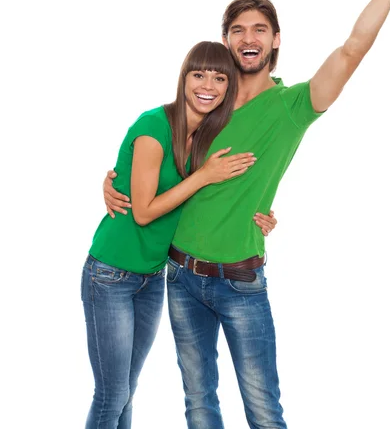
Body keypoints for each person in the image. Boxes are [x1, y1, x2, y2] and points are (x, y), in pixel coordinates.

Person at [104, 0, 390, 428]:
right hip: (180, 275)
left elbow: (351, 50)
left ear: (275, 40)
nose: (247, 37)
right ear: (226, 40)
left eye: (259, 29)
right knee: (198, 403)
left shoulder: (293, 106)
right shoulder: (205, 103)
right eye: (236, 29)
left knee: (264, 410)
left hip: (241, 281)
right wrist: (110, 183)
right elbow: (152, 158)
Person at [82, 41, 278, 429]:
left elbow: (213, 199)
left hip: (154, 275)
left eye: (220, 77)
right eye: (199, 74)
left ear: (230, 87)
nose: (208, 85)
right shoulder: (155, 126)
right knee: (111, 393)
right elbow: (143, 212)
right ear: (183, 78)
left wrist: (261, 215)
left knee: (127, 387)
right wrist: (203, 176)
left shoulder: (209, 135)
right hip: (111, 274)